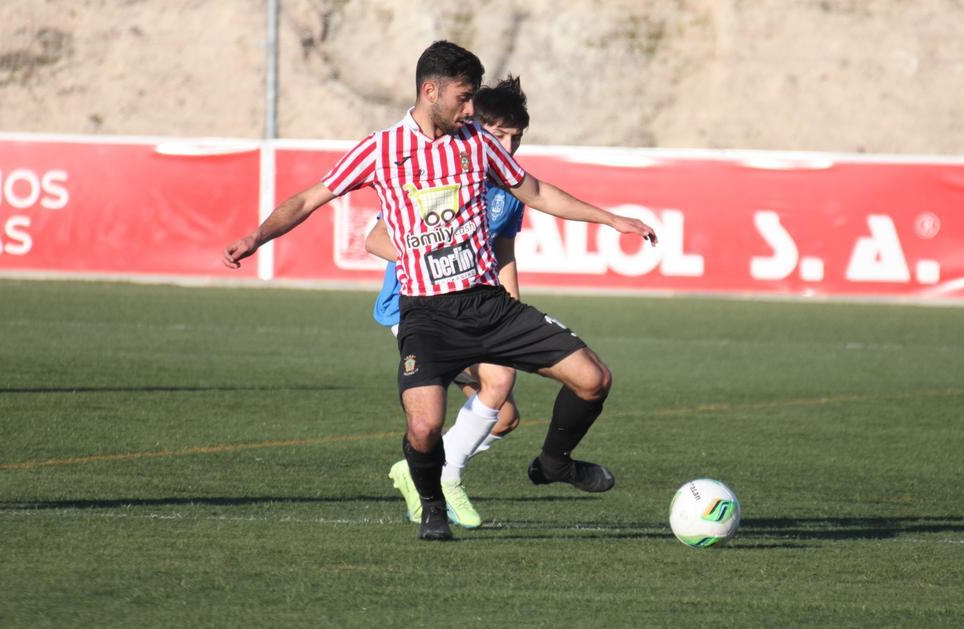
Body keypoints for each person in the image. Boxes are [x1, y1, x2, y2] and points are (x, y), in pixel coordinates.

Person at [223, 40, 657, 542]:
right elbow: (307, 200)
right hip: (427, 317)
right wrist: (256, 236)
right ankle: (432, 506)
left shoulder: (478, 142)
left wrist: (612, 219)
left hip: (487, 304)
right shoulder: (381, 150)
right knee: (425, 427)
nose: (471, 109)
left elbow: (534, 191)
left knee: (593, 378)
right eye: (464, 97)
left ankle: (555, 463)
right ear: (431, 92)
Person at [368, 75, 530, 529]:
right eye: (499, 135)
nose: (509, 146)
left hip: (473, 307)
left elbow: (503, 256)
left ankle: (419, 470)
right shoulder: (440, 168)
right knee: (497, 384)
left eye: (516, 137)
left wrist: (512, 315)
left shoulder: (509, 191)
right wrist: (438, 258)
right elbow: (376, 238)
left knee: (506, 417)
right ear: (474, 125)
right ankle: (444, 478)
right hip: (415, 306)